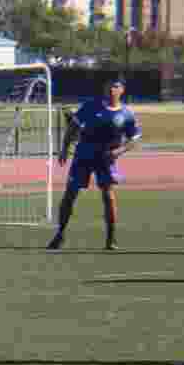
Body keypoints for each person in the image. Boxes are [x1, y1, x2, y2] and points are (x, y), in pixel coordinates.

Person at [46, 78, 141, 251]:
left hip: (105, 159)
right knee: (70, 194)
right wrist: (64, 148)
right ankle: (60, 234)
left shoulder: (126, 114)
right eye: (108, 86)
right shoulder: (91, 106)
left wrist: (118, 152)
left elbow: (134, 139)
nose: (111, 89)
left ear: (122, 90)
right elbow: (73, 127)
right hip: (83, 155)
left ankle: (111, 239)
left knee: (109, 196)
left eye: (115, 86)